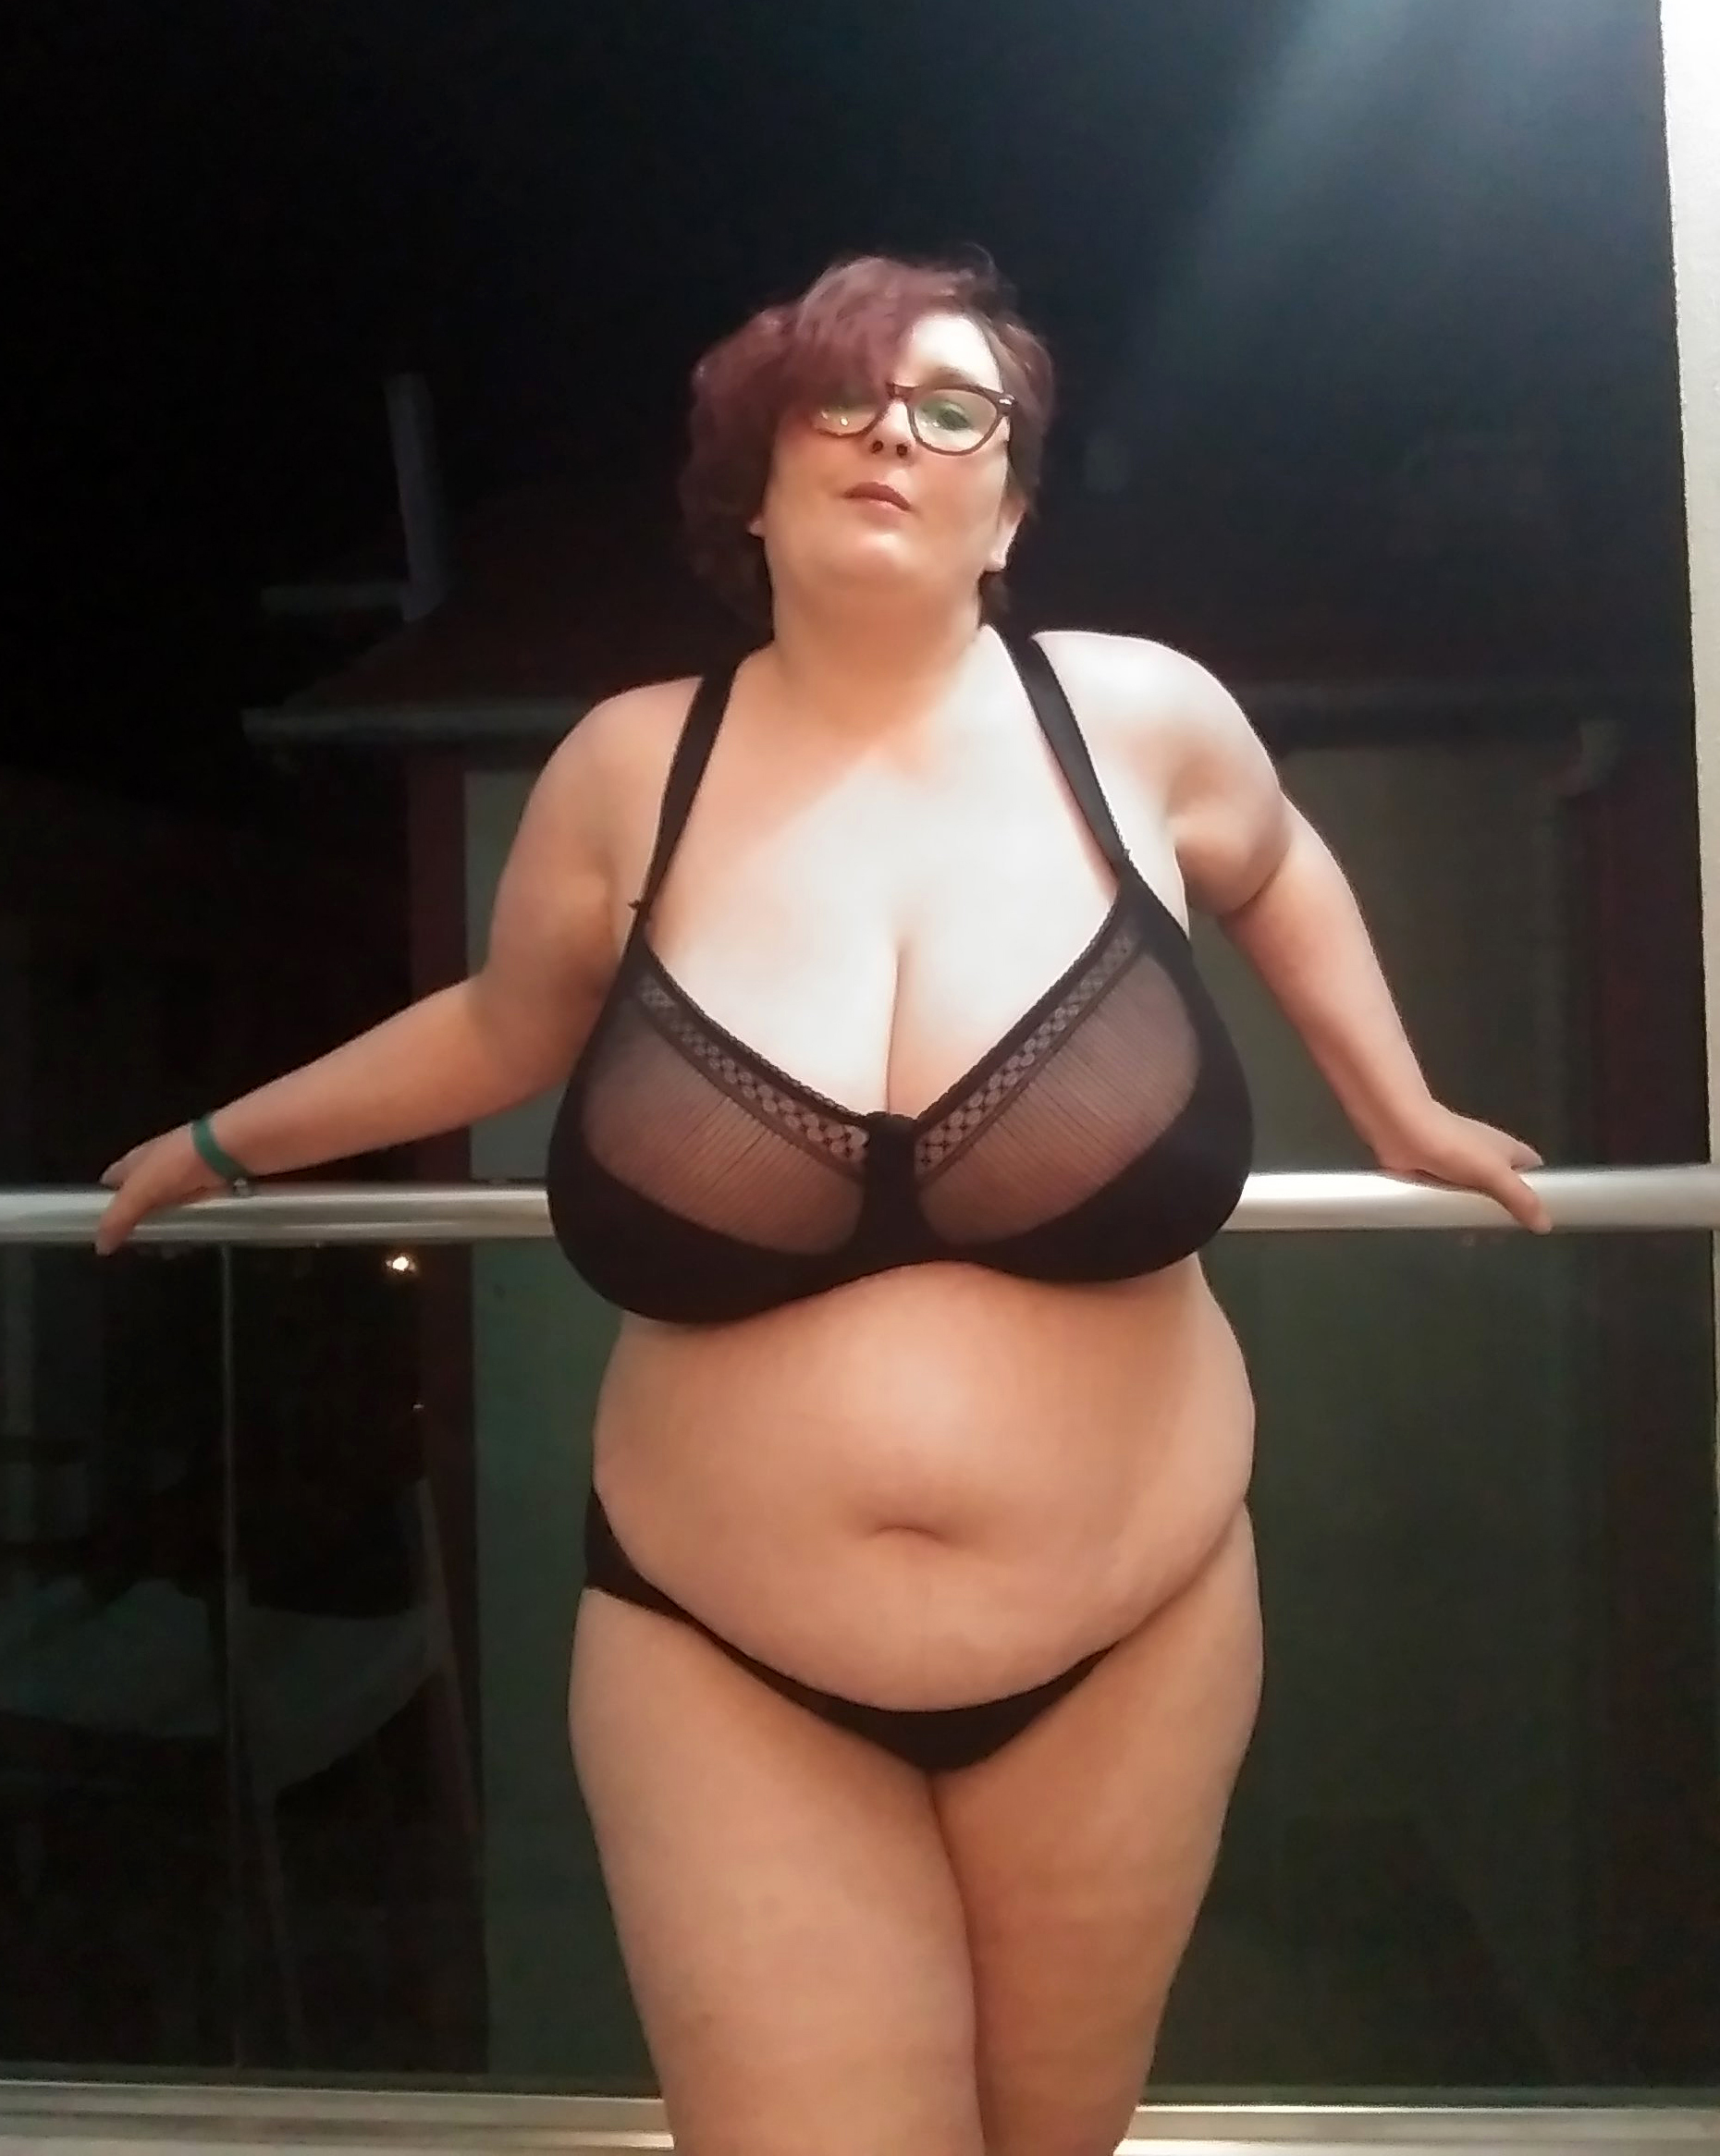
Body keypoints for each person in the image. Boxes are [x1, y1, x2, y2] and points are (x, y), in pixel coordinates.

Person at [97, 254, 1547, 2156]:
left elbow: (1277, 867)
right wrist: (217, 1146)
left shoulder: (1140, 722)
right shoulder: (633, 766)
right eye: (843, 402)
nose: (896, 437)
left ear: (1007, 509)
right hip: (720, 1656)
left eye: (956, 411)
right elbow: (503, 1022)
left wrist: (1400, 1102)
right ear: (754, 492)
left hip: (1133, 1634)